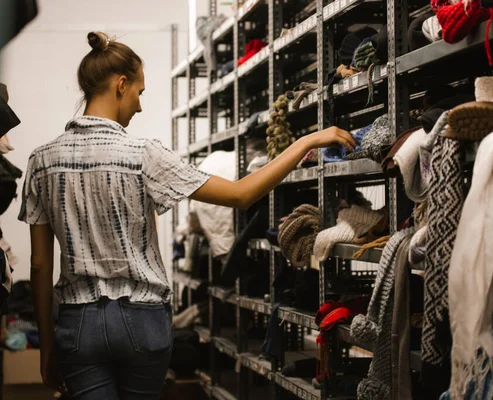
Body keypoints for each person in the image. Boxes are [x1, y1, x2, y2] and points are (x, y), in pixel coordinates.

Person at [18, 31, 356, 400]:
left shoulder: (42, 160)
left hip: (78, 322)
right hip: (141, 319)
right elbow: (242, 195)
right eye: (139, 93)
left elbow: (39, 264)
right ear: (120, 84)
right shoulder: (143, 154)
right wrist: (305, 141)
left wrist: (47, 347)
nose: (139, 106)